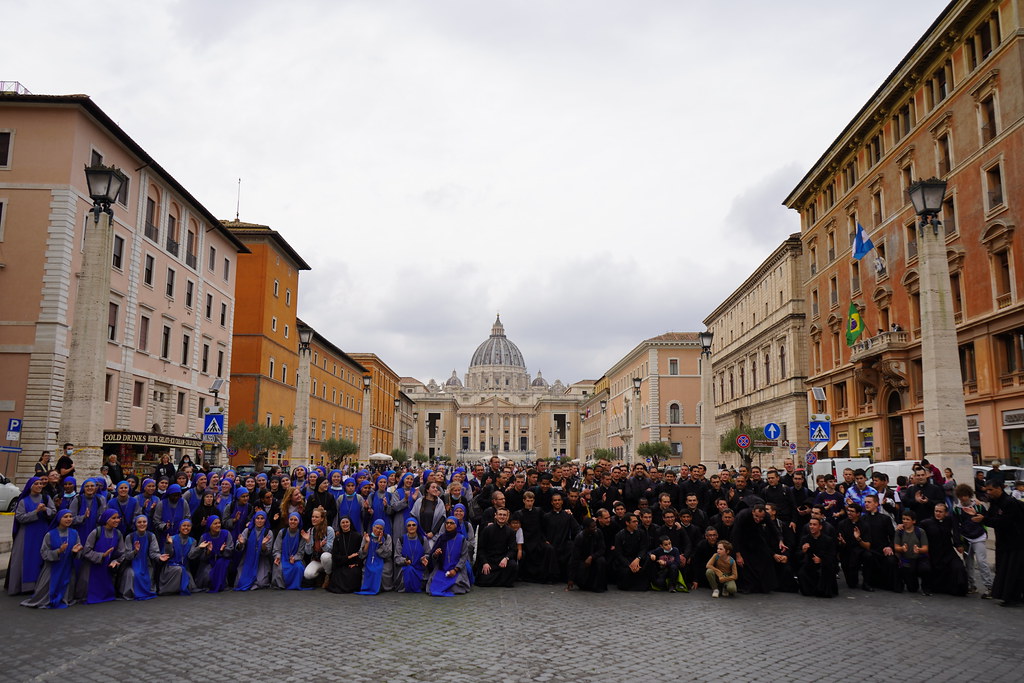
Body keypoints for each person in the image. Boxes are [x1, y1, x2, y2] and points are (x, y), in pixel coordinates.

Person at [973, 480, 1024, 607]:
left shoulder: (1009, 503)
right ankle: (1004, 594)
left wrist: (984, 519)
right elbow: (991, 517)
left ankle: (1012, 597)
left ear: (999, 489)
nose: (988, 493)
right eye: (987, 490)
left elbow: (1005, 521)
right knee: (1002, 568)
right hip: (1003, 541)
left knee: (1013, 570)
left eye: (991, 490)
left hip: (1015, 541)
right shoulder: (995, 503)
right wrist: (978, 514)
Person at [20, 508, 81, 609]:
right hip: (52, 569)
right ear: (59, 519)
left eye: (70, 517)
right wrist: (58, 551)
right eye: (65, 517)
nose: (69, 519)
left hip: (67, 568)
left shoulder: (74, 533)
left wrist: (76, 552)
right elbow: (43, 553)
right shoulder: (50, 534)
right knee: (44, 596)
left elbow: (79, 550)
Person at [5, 476, 56, 596]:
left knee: (40, 558)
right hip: (26, 533)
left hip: (42, 532)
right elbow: (20, 517)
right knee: (24, 558)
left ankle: (40, 585)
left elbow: (54, 512)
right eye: (36, 484)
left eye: (40, 484)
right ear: (30, 486)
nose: (39, 486)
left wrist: (45, 510)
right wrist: (36, 512)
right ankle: (23, 586)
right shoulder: (23, 501)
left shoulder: (46, 498)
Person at [952, 484, 992, 598]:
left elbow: (987, 519)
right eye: (960, 496)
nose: (963, 499)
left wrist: (979, 512)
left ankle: (989, 586)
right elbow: (955, 527)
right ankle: (971, 585)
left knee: (981, 562)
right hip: (966, 539)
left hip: (979, 537)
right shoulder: (957, 509)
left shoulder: (978, 506)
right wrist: (957, 543)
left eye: (965, 496)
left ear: (969, 495)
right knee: (968, 564)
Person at [919, 503, 967, 596]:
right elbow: (916, 531)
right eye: (936, 511)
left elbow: (956, 532)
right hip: (933, 553)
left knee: (958, 567)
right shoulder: (926, 523)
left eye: (940, 512)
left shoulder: (950, 520)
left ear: (946, 513)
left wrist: (958, 544)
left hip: (948, 552)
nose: (938, 513)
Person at [732, 505, 780, 594]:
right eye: (756, 516)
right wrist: (738, 555)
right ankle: (747, 587)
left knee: (766, 558)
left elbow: (774, 529)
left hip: (756, 538)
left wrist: (781, 540)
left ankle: (765, 587)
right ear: (753, 512)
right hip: (742, 540)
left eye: (761, 517)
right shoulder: (742, 516)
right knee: (744, 563)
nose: (758, 519)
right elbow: (735, 535)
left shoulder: (766, 516)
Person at [77, 509, 122, 604]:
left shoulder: (118, 534)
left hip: (107, 568)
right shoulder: (96, 532)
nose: (117, 520)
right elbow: (86, 551)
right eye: (113, 518)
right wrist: (102, 555)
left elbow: (122, 552)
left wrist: (116, 561)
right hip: (93, 567)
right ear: (106, 519)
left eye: (118, 518)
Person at [117, 514, 160, 600]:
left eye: (144, 522)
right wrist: (135, 551)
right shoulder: (130, 537)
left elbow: (153, 553)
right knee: (135, 574)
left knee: (148, 574)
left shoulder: (151, 536)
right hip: (132, 563)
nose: (142, 524)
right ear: (135, 524)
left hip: (146, 563)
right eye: (139, 522)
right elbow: (127, 556)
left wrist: (159, 556)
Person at [475, 507, 518, 588]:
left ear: (507, 517)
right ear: (496, 516)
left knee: (513, 565)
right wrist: (485, 563)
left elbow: (513, 549)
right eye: (500, 514)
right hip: (489, 560)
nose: (502, 517)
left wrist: (506, 558)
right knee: (483, 581)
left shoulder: (511, 531)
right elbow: (481, 549)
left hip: (502, 560)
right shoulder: (487, 530)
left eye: (504, 515)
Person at [427, 517, 469, 597]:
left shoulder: (461, 539)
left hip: (457, 569)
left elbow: (463, 557)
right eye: (447, 523)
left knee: (457, 586)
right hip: (442, 568)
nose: (449, 525)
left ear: (456, 525)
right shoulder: (441, 538)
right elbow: (432, 556)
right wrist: (436, 555)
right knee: (432, 587)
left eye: (451, 523)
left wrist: (455, 570)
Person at [798, 517, 838, 598]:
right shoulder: (805, 539)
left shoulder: (828, 540)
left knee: (826, 571)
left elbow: (832, 556)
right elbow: (797, 554)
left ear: (820, 527)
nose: (811, 526)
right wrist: (803, 551)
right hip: (809, 563)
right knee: (802, 573)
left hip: (824, 564)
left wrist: (821, 560)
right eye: (810, 524)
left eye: (814, 524)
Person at [234, 510, 274, 591]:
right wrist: (241, 543)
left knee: (261, 583)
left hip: (261, 560)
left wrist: (263, 545)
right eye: (257, 518)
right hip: (247, 560)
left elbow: (267, 552)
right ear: (254, 519)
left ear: (265, 520)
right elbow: (239, 547)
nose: (259, 520)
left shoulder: (268, 533)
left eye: (262, 518)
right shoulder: (247, 531)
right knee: (240, 582)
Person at [894, 511, 930, 595]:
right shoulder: (899, 532)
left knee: (925, 569)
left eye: (908, 519)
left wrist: (919, 550)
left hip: (919, 560)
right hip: (907, 561)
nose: (905, 521)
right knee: (912, 588)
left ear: (913, 521)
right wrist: (902, 549)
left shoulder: (920, 532)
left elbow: (925, 549)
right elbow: (896, 547)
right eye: (903, 519)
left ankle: (926, 587)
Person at [159, 519, 198, 596]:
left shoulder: (193, 541)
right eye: (184, 525)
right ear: (180, 528)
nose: (186, 527)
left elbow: (191, 556)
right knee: (179, 569)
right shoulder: (172, 538)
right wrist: (168, 544)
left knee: (190, 586)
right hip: (171, 567)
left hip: (185, 568)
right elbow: (168, 555)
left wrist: (199, 548)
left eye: (188, 526)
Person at [195, 516, 234, 593]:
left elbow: (231, 550)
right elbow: (201, 557)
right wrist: (208, 552)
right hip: (209, 561)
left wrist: (222, 551)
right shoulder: (204, 537)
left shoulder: (226, 533)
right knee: (207, 575)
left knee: (221, 564)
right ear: (210, 525)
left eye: (219, 523)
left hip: (224, 560)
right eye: (215, 523)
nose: (218, 525)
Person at [613, 513, 650, 591]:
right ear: (627, 523)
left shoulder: (641, 533)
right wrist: (630, 565)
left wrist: (638, 559)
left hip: (638, 559)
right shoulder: (619, 535)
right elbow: (619, 554)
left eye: (637, 521)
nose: (637, 523)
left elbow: (644, 548)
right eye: (634, 522)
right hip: (625, 560)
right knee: (625, 571)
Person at [326, 516, 363, 594]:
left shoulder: (357, 536)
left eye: (347, 522)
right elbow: (335, 556)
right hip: (341, 564)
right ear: (340, 525)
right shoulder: (337, 538)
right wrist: (348, 557)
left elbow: (361, 554)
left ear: (350, 523)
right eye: (343, 522)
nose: (345, 524)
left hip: (353, 564)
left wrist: (356, 564)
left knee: (354, 573)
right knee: (339, 574)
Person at [356, 519, 393, 595]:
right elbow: (361, 555)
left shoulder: (387, 537)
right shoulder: (367, 537)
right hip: (369, 561)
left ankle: (380, 588)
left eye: (381, 529)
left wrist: (380, 543)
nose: (378, 530)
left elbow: (388, 554)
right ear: (373, 527)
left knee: (381, 571)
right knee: (369, 570)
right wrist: (367, 543)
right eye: (376, 527)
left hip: (383, 560)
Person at [273, 512, 309, 590]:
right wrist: (277, 556)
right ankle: (281, 585)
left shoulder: (301, 534)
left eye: (295, 520)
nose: (293, 522)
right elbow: (277, 548)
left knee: (298, 567)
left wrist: (295, 558)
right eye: (291, 519)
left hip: (296, 559)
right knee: (279, 567)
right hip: (283, 557)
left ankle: (295, 585)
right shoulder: (282, 532)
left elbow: (301, 552)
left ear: (299, 521)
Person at [302, 506, 335, 588]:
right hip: (317, 559)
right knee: (307, 574)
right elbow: (308, 552)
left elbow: (330, 549)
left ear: (322, 519)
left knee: (325, 556)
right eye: (313, 517)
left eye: (317, 517)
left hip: (328, 559)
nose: (314, 519)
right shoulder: (310, 530)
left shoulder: (329, 530)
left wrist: (323, 546)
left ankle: (328, 575)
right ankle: (320, 575)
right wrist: (308, 541)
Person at [394, 517, 429, 593]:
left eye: (413, 525)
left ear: (417, 526)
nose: (411, 527)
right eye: (409, 525)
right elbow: (397, 557)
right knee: (409, 569)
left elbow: (428, 553)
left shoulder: (423, 539)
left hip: (419, 570)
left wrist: (424, 558)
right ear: (406, 527)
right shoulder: (401, 540)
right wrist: (404, 561)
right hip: (405, 569)